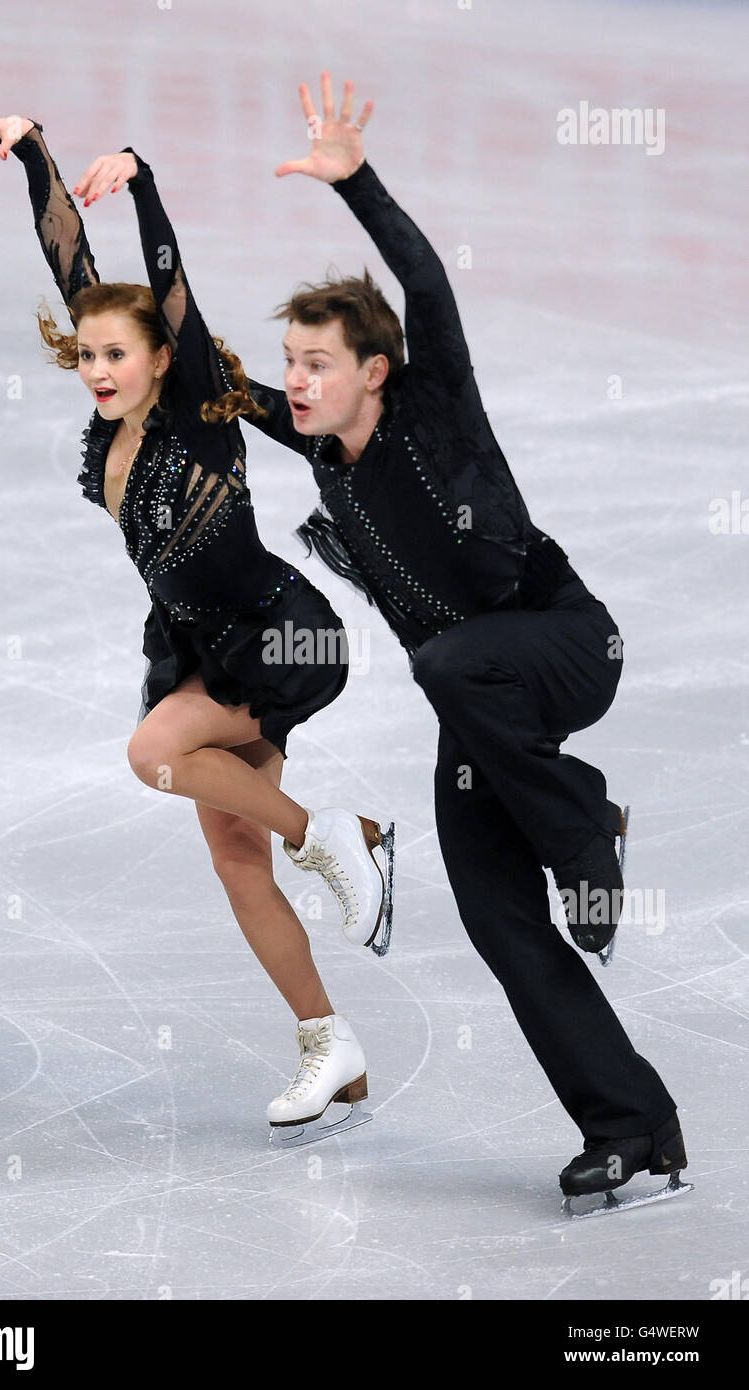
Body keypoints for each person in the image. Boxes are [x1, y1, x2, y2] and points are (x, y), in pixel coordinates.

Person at [241, 73, 686, 1202]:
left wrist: (359, 185)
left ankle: (582, 816)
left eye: (316, 362)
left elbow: (425, 283)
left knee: (445, 663)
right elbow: (194, 365)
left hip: (563, 645)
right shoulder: (320, 455)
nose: (294, 381)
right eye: (288, 361)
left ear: (372, 372)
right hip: (476, 703)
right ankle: (631, 1124)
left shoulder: (434, 409)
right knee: (497, 918)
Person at [0, 112, 396, 1143]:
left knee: (154, 752)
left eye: (119, 350)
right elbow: (70, 255)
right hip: (195, 644)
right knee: (236, 860)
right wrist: (28, 147)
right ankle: (331, 1043)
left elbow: (168, 278)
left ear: (162, 356)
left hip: (277, 631)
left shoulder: (196, 403)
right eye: (88, 352)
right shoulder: (113, 418)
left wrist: (144, 178)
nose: (97, 366)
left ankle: (331, 838)